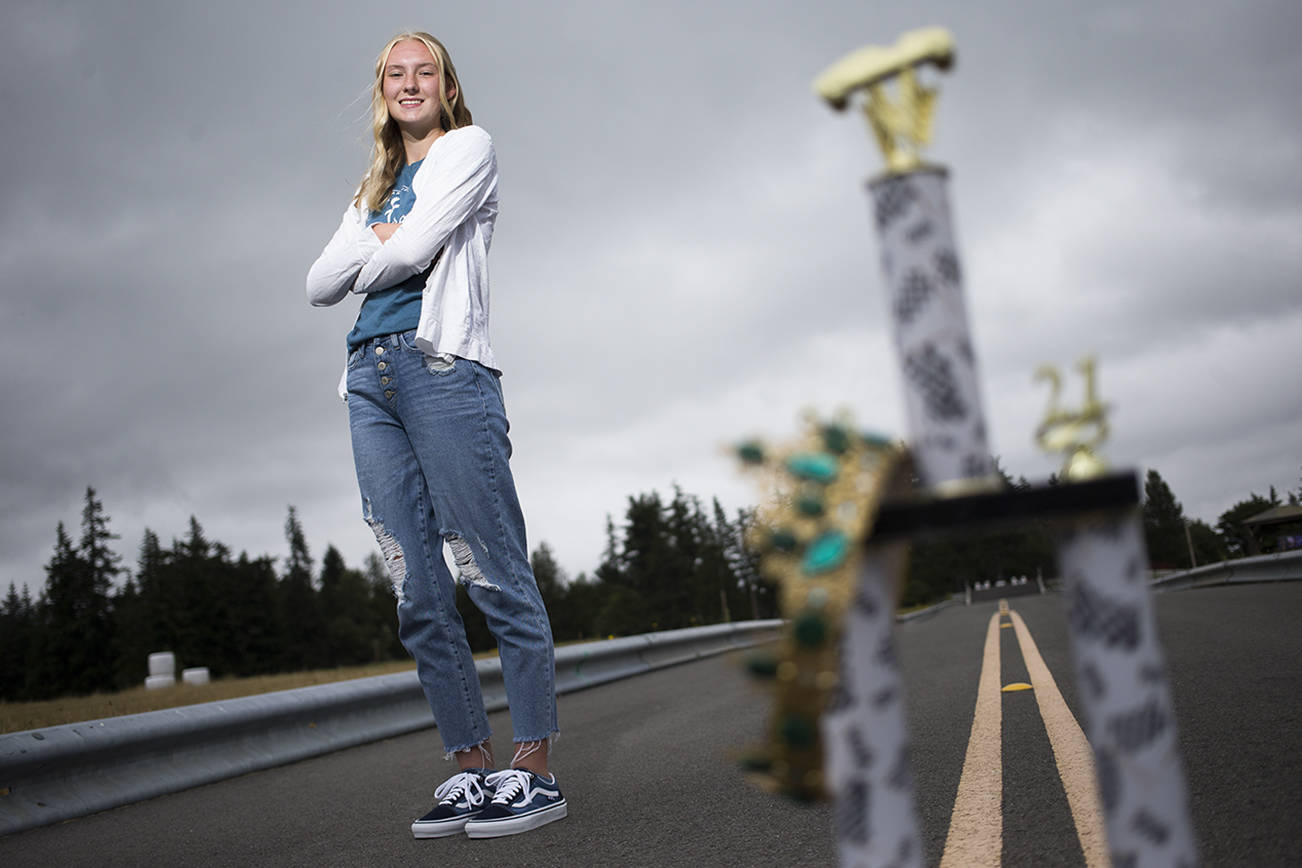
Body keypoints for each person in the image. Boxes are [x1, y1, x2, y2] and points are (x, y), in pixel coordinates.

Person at [305, 31, 564, 840]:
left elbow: (411, 250)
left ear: (448, 88)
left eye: (426, 73)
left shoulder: (467, 150)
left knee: (488, 568)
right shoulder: (374, 182)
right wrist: (377, 240)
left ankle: (534, 768)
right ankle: (470, 768)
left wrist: (371, 248)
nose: (410, 84)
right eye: (396, 75)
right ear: (382, 92)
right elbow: (319, 284)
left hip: (442, 369)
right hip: (368, 382)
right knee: (416, 588)